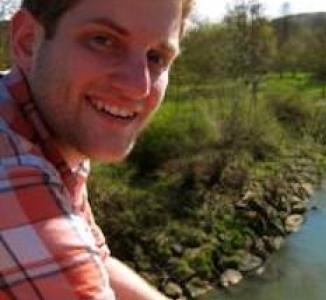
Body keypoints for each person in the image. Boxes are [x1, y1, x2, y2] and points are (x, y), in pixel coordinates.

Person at [0, 0, 193, 299]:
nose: (138, 86)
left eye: (156, 57)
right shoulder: (11, 169)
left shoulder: (51, 133)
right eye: (103, 40)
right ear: (28, 42)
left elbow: (97, 261)